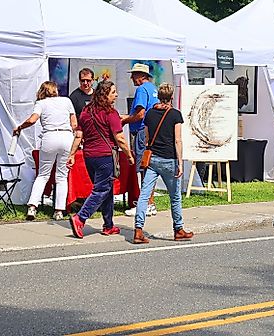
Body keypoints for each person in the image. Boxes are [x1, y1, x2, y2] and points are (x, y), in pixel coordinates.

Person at [132, 84, 193, 244]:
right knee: (175, 197)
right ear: (172, 97)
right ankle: (178, 229)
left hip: (153, 159)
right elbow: (177, 140)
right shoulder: (175, 115)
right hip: (169, 159)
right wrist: (180, 162)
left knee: (144, 195)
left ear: (158, 96)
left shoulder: (150, 113)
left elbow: (146, 137)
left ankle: (138, 230)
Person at [71, 79, 131, 239]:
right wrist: (129, 155)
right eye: (113, 92)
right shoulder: (110, 113)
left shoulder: (85, 111)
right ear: (105, 95)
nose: (116, 95)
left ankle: (108, 225)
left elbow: (79, 135)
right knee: (101, 190)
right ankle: (80, 217)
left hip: (89, 156)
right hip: (105, 156)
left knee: (107, 189)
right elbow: (120, 138)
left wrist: (71, 154)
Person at [14, 81, 81, 221]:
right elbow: (74, 124)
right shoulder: (66, 101)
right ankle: (59, 210)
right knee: (61, 176)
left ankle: (32, 207)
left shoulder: (41, 103)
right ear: (55, 90)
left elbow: (32, 120)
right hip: (66, 137)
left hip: (49, 136)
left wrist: (20, 127)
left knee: (43, 175)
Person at [122, 63, 158, 217]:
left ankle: (146, 204)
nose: (132, 78)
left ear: (141, 76)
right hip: (152, 131)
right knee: (149, 166)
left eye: (134, 75)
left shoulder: (142, 90)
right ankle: (150, 202)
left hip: (142, 131)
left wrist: (125, 119)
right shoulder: (152, 88)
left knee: (143, 167)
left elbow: (140, 114)